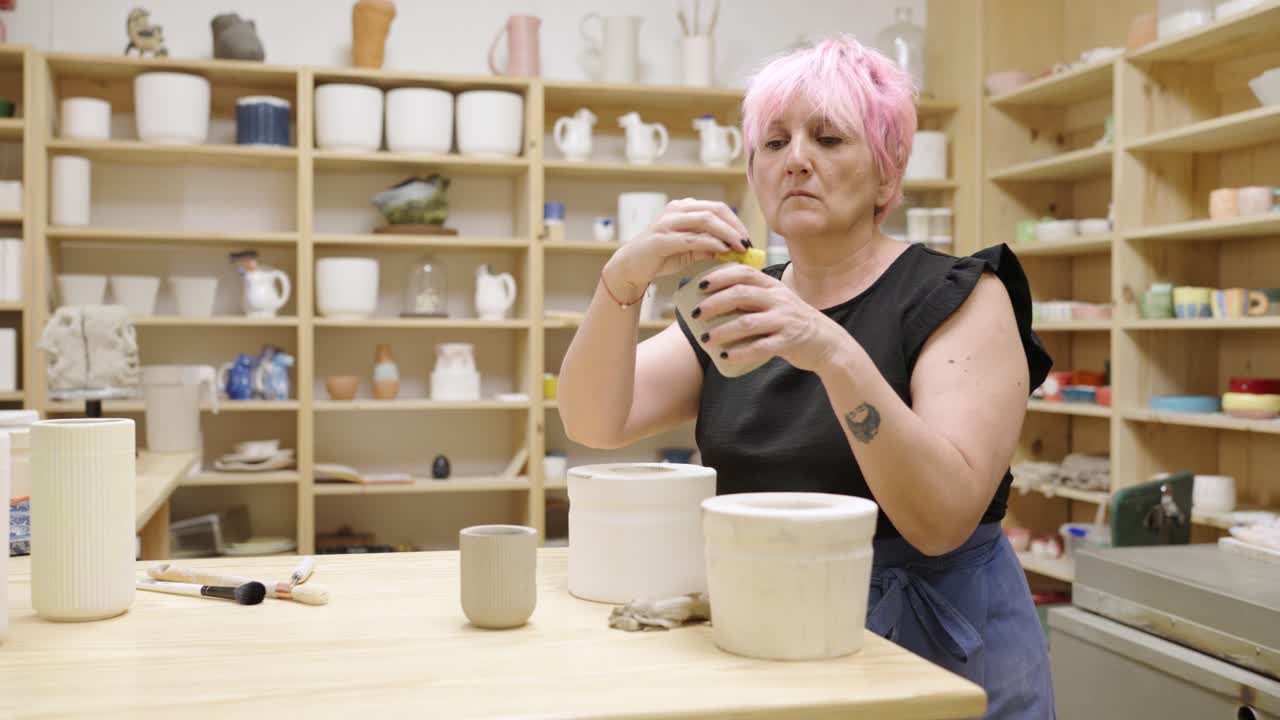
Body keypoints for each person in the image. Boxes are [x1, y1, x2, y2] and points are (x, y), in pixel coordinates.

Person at [557, 33, 1055, 719]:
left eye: (828, 139)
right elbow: (593, 420)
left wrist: (831, 348)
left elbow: (941, 519)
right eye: (774, 143)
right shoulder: (739, 300)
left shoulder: (960, 294)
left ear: (888, 171)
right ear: (755, 173)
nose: (796, 161)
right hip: (774, 634)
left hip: (939, 656)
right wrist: (622, 281)